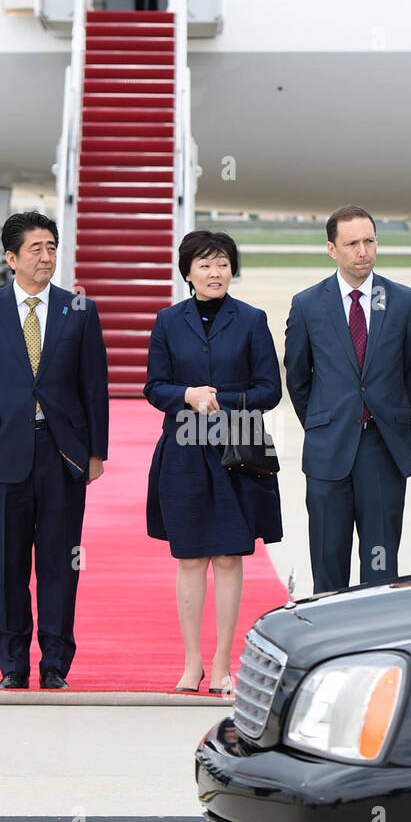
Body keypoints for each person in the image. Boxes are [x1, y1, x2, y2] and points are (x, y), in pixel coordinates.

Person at [0, 210, 109, 691]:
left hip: (63, 453)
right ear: (10, 257)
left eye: (51, 247)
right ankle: (13, 662)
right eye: (35, 249)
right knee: (7, 562)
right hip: (3, 451)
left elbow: (94, 386)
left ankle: (55, 663)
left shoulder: (79, 309)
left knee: (60, 561)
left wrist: (95, 452)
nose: (45, 257)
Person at [145, 230, 282, 694]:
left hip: (236, 446)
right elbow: (154, 386)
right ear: (188, 273)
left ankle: (223, 663)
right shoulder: (167, 321)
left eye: (222, 263)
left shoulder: (252, 320)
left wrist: (222, 399)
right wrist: (186, 394)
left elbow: (270, 390)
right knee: (189, 558)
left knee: (227, 556)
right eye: (204, 264)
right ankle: (192, 662)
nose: (214, 272)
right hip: (183, 446)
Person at [284, 205, 411, 594]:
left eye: (369, 241)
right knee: (328, 566)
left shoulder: (403, 301)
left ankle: (376, 644)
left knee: (381, 566)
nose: (362, 251)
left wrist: (387, 417)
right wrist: (325, 422)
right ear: (332, 249)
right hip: (328, 451)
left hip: (383, 450)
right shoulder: (307, 305)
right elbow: (297, 378)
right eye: (352, 243)